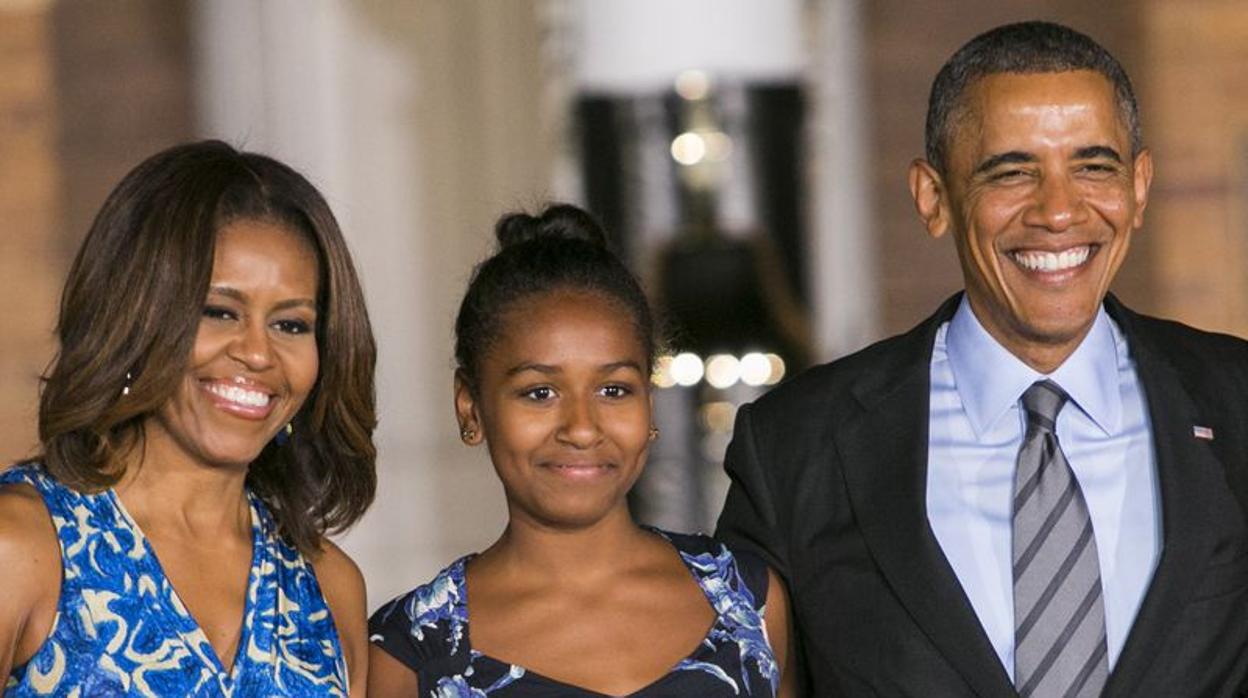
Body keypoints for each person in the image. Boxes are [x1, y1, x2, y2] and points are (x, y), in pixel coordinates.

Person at [716, 20, 1248, 697]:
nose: (1058, 211)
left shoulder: (1236, 404)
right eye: (1012, 172)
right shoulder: (796, 447)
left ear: (1139, 188)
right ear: (933, 198)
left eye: (1093, 166)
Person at [367, 205, 796, 697]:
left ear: (649, 406)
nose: (582, 428)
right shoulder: (410, 652)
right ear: (471, 407)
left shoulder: (750, 603)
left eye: (614, 390)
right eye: (539, 392)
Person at [0, 141, 378, 696]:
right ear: (135, 317)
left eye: (291, 325)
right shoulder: (21, 547)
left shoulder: (329, 588)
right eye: (219, 312)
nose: (257, 353)